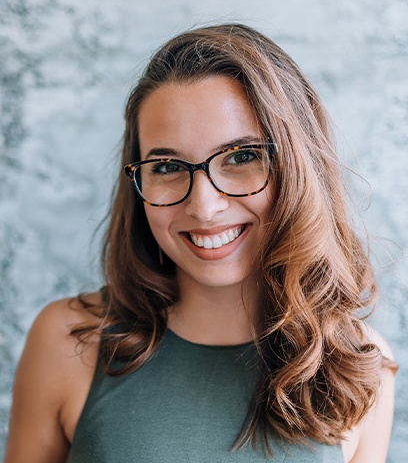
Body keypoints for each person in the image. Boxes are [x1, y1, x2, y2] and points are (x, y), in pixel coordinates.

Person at [5, 23, 397, 463]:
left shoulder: (359, 366)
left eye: (242, 157)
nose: (204, 207)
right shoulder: (66, 341)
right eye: (168, 166)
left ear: (297, 168)